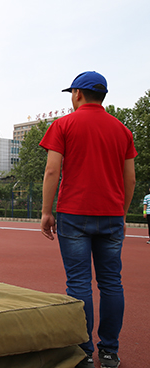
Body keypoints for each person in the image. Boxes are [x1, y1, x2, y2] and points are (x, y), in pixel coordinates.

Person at [40, 71, 136, 368]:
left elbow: (52, 170)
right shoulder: (122, 130)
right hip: (112, 214)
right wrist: (122, 212)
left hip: (74, 213)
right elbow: (130, 178)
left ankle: (83, 352)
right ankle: (110, 351)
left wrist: (46, 211)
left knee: (78, 283)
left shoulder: (63, 125)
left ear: (78, 94)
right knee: (111, 283)